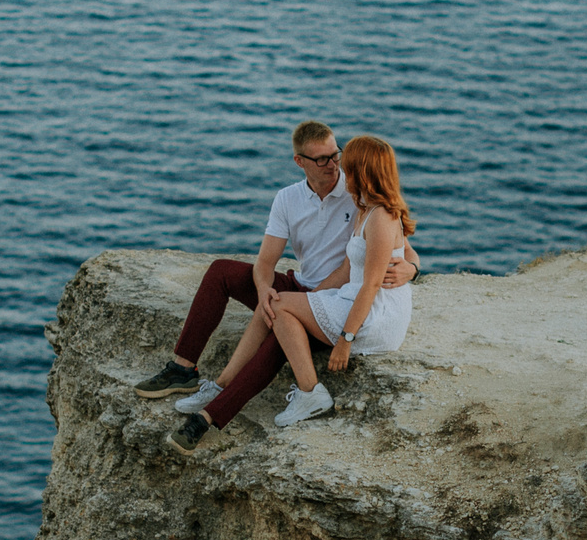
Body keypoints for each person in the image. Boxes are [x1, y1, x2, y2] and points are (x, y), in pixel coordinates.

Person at [131, 120, 418, 415]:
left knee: (275, 333)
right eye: (321, 159)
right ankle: (183, 369)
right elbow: (265, 263)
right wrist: (265, 291)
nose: (332, 165)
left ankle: (215, 408)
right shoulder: (287, 198)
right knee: (221, 272)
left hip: (337, 297)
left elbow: (403, 248)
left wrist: (411, 269)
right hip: (300, 287)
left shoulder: (357, 192)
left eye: (335, 155)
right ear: (300, 161)